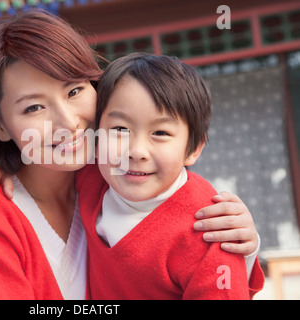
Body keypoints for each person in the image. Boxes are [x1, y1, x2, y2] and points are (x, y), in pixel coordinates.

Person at [0, 9, 260, 300]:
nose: (68, 122)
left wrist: (239, 238)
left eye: (74, 90)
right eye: (35, 107)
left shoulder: (115, 178)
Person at [76, 52, 264, 299]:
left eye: (161, 132)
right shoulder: (92, 175)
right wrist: (6, 163)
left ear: (194, 149)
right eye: (120, 129)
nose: (136, 151)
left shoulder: (211, 232)